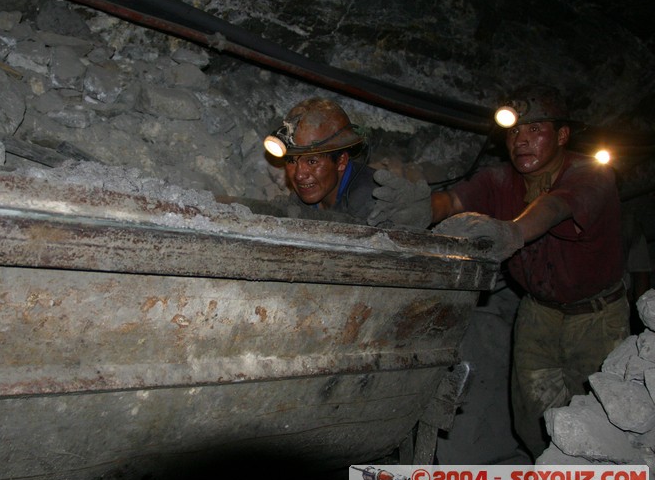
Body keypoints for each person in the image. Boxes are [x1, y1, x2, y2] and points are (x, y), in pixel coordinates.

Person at [431, 84, 629, 459]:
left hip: (598, 318)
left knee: (599, 423)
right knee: (533, 422)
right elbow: (452, 200)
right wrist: (417, 207)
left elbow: (557, 206)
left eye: (535, 130)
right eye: (514, 132)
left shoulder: (591, 173)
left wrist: (513, 231)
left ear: (563, 135)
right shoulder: (499, 179)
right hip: (538, 313)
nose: (521, 140)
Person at [263, 97, 431, 228]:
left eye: (312, 161)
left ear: (341, 161)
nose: (299, 174)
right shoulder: (313, 192)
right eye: (291, 161)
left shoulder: (373, 202)